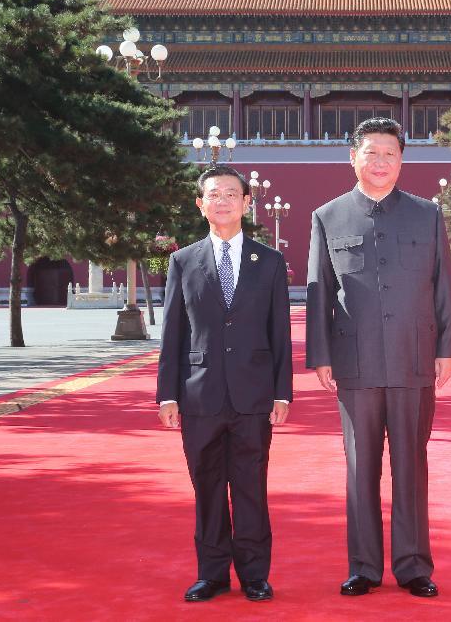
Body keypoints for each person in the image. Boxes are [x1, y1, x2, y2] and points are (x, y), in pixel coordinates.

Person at [306, 117, 451, 598]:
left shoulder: (426, 215)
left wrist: (448, 348)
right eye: (371, 153)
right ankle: (364, 567)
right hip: (355, 363)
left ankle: (414, 565)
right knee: (361, 469)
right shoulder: (328, 216)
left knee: (411, 465)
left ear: (402, 160)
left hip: (414, 359)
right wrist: (320, 355)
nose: (380, 162)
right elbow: (320, 292)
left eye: (390, 154)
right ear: (352, 157)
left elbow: (444, 285)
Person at [156, 164, 292, 603]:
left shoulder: (269, 262)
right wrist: (168, 394)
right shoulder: (183, 260)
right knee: (208, 486)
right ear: (201, 205)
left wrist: (281, 391)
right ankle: (211, 574)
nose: (223, 201)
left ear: (247, 203)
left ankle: (255, 574)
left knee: (251, 485)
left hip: (253, 397)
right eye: (214, 194)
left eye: (232, 194)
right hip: (200, 396)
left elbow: (280, 333)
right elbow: (173, 331)